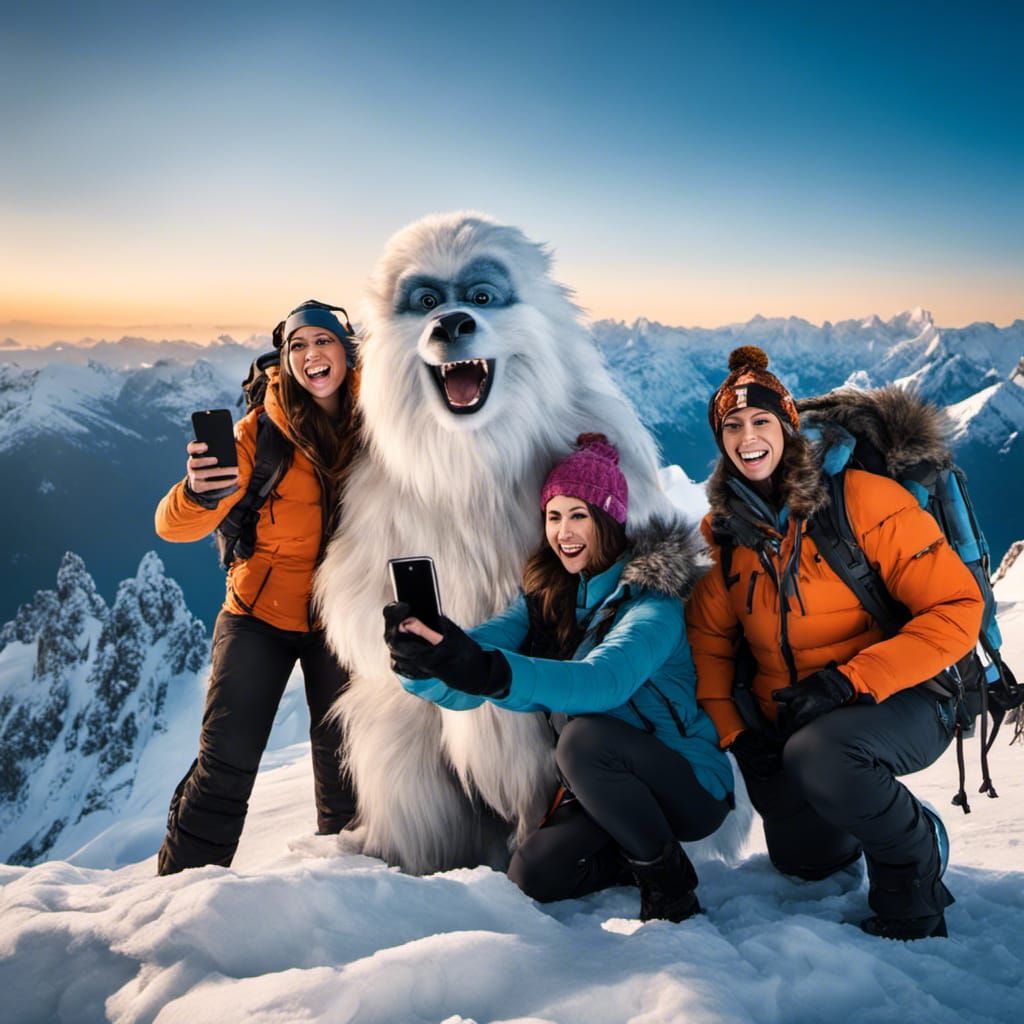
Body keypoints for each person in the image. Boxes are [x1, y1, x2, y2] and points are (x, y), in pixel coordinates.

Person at [685, 346, 984, 940]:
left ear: (787, 427)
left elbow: (957, 609)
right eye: (733, 426)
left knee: (821, 757)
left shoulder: (861, 500)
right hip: (795, 714)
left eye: (761, 421)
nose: (748, 437)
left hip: (908, 693)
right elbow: (711, 643)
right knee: (807, 861)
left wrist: (850, 679)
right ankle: (860, 815)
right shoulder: (725, 531)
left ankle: (913, 868)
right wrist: (737, 735)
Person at [383, 433, 734, 921]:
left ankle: (669, 881)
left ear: (608, 521)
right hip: (599, 786)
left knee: (583, 739)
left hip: (686, 783)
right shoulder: (545, 599)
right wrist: (423, 661)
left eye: (578, 516)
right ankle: (629, 851)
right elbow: (471, 671)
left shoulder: (653, 602)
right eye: (553, 516)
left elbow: (601, 682)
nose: (563, 531)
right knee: (533, 876)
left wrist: (483, 669)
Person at [154, 300, 362, 874]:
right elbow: (172, 528)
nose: (311, 355)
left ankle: (351, 894)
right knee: (225, 767)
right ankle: (177, 898)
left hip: (339, 619)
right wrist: (197, 492)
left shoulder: (382, 421)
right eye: (297, 346)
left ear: (347, 350)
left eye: (323, 341)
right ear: (285, 359)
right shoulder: (256, 434)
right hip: (257, 614)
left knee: (350, 776)